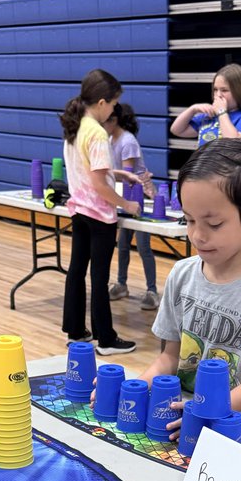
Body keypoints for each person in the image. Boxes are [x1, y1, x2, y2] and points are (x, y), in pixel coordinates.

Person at [138, 139, 241, 432]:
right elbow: (169, 357)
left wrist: (206, 411)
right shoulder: (182, 275)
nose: (197, 236)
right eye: (189, 220)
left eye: (215, 224)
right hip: (182, 422)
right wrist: (136, 387)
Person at [60, 69, 141, 356]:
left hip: (79, 210)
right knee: (99, 276)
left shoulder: (76, 126)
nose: (115, 108)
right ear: (103, 102)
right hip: (98, 214)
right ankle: (105, 338)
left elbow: (87, 169)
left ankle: (75, 331)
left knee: (77, 270)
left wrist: (117, 172)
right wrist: (126, 203)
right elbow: (99, 183)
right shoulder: (97, 133)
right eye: (115, 103)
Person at [105, 103, 160, 311]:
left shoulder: (128, 141)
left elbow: (128, 175)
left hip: (140, 197)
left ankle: (152, 291)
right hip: (125, 197)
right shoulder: (111, 140)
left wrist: (105, 174)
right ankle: (121, 284)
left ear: (114, 120)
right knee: (123, 244)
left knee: (144, 245)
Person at [169, 63, 241, 148]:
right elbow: (177, 130)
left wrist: (221, 112)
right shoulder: (208, 117)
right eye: (215, 90)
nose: (218, 95)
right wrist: (192, 109)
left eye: (224, 90)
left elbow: (232, 144)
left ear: (240, 92)